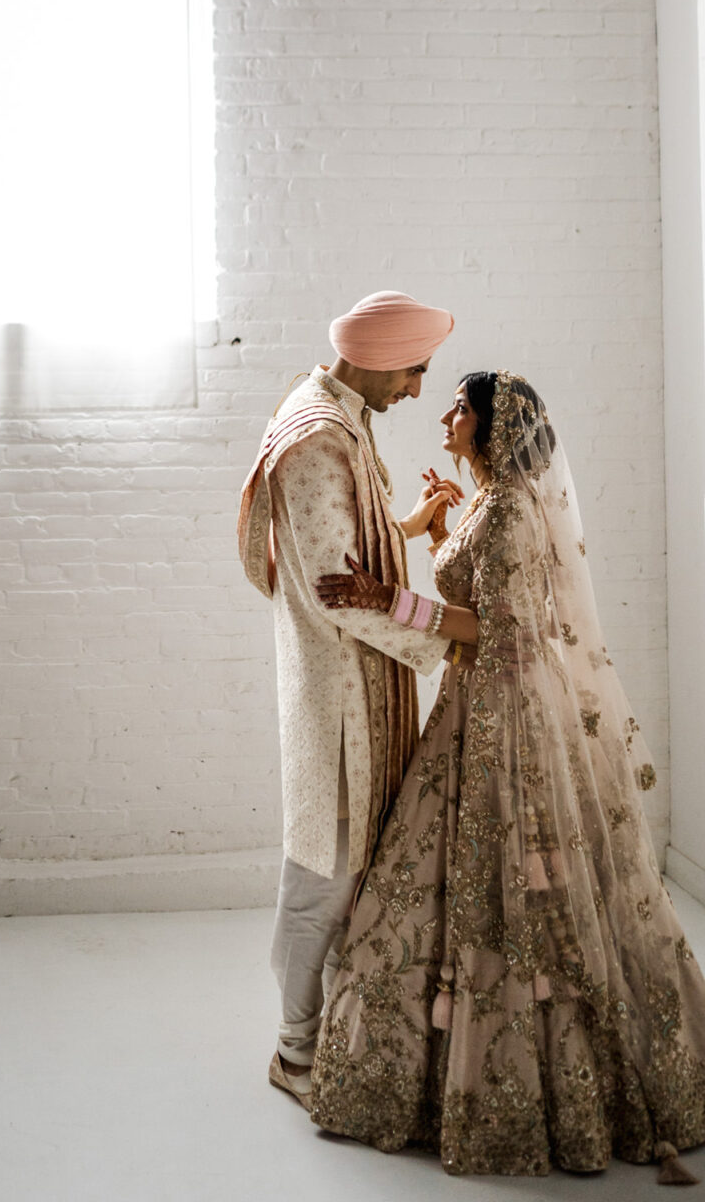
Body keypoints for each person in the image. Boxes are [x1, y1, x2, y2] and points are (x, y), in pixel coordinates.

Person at [310, 371, 705, 1183]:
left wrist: (384, 597)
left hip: (506, 714)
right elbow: (479, 591)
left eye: (460, 408)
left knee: (519, 888)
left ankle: (552, 1090)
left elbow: (493, 626)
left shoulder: (509, 508)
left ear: (490, 427)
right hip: (476, 700)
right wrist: (438, 526)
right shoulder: (486, 499)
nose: (445, 413)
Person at [237, 290, 475, 1110]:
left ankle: (333, 1042)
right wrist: (451, 636)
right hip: (339, 702)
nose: (415, 391)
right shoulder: (315, 439)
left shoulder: (337, 419)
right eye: (413, 371)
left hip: (357, 686)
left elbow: (342, 552)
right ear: (377, 362)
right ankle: (294, 1056)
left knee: (347, 874)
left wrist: (407, 527)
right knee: (322, 883)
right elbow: (337, 593)